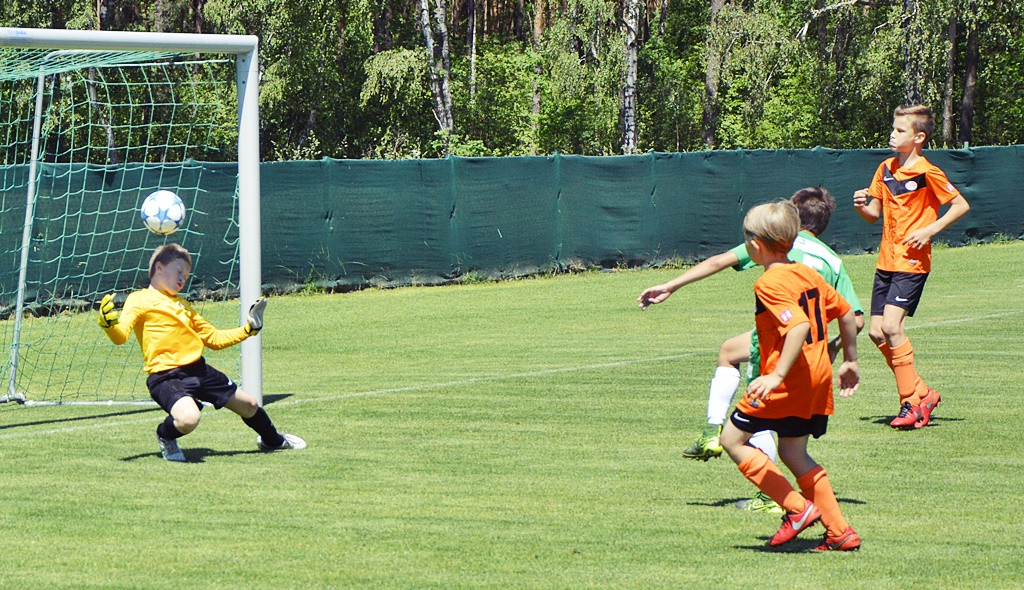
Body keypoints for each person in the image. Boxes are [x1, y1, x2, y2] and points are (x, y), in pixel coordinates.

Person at [638, 187, 864, 513]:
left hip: (778, 347)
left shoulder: (772, 250)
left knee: (751, 420)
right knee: (792, 446)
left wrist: (670, 285)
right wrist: (840, 353)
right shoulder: (831, 259)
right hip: (814, 358)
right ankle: (835, 527)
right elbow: (852, 317)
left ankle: (777, 499)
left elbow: (720, 262)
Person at [720, 200, 861, 551]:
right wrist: (850, 361)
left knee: (731, 440)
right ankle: (840, 532)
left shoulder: (770, 282)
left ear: (755, 245)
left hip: (789, 380)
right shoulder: (806, 273)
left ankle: (797, 509)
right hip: (817, 376)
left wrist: (775, 375)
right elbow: (845, 313)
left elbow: (796, 325)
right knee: (795, 454)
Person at [98, 243, 305, 462]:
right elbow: (121, 336)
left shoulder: (184, 305)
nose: (182, 279)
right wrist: (109, 326)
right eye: (179, 272)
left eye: (186, 276)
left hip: (199, 370)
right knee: (189, 418)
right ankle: (165, 435)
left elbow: (214, 339)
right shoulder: (140, 299)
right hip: (166, 377)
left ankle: (273, 440)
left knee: (249, 404)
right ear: (159, 268)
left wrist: (249, 330)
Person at [853, 104, 970, 429]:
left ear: (918, 137)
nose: (893, 134)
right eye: (893, 128)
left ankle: (910, 404)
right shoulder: (886, 167)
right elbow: (873, 214)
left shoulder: (927, 171)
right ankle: (922, 392)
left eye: (900, 130)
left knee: (892, 327)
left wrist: (930, 229)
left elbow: (960, 205)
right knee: (877, 333)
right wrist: (862, 206)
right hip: (886, 262)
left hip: (912, 262)